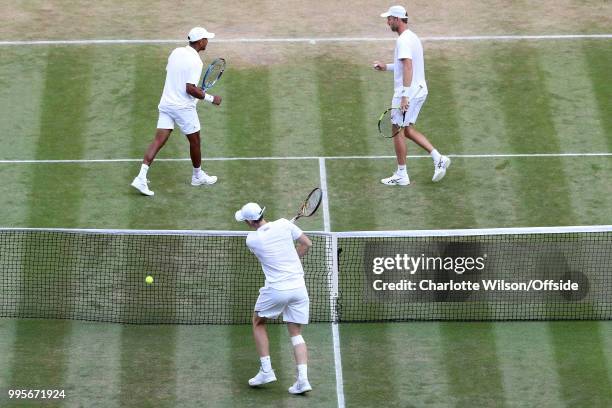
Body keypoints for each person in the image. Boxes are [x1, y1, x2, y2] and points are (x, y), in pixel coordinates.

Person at [131, 26, 222, 196]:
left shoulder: (176, 52)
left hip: (166, 104)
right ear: (201, 41)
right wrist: (211, 99)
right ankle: (197, 176)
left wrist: (196, 92)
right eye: (206, 39)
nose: (208, 41)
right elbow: (189, 88)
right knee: (195, 141)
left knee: (158, 141)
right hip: (182, 108)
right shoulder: (196, 62)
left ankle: (141, 177)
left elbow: (175, 77)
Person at [235, 202, 313, 395]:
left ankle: (266, 370)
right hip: (298, 288)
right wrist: (293, 259)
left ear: (249, 222)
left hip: (277, 289)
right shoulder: (285, 224)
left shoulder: (251, 240)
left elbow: (270, 242)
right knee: (296, 333)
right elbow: (307, 243)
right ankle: (302, 380)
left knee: (258, 323)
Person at [374, 5, 451, 186]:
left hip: (409, 92)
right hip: (418, 90)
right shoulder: (411, 37)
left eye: (390, 19)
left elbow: (408, 66)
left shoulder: (403, 41)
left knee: (397, 129)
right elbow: (404, 65)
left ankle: (402, 175)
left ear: (398, 19)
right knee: (406, 130)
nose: (388, 22)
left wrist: (404, 96)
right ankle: (438, 158)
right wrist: (386, 67)